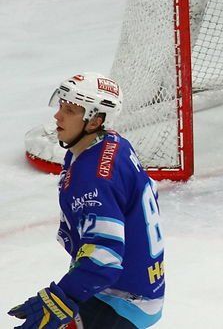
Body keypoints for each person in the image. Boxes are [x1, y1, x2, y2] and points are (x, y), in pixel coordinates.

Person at [8, 73, 165, 329]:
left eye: (70, 110)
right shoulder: (112, 144)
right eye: (61, 105)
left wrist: (63, 298)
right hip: (129, 287)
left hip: (120, 299)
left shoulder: (93, 177)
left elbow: (105, 257)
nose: (58, 116)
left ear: (95, 121)